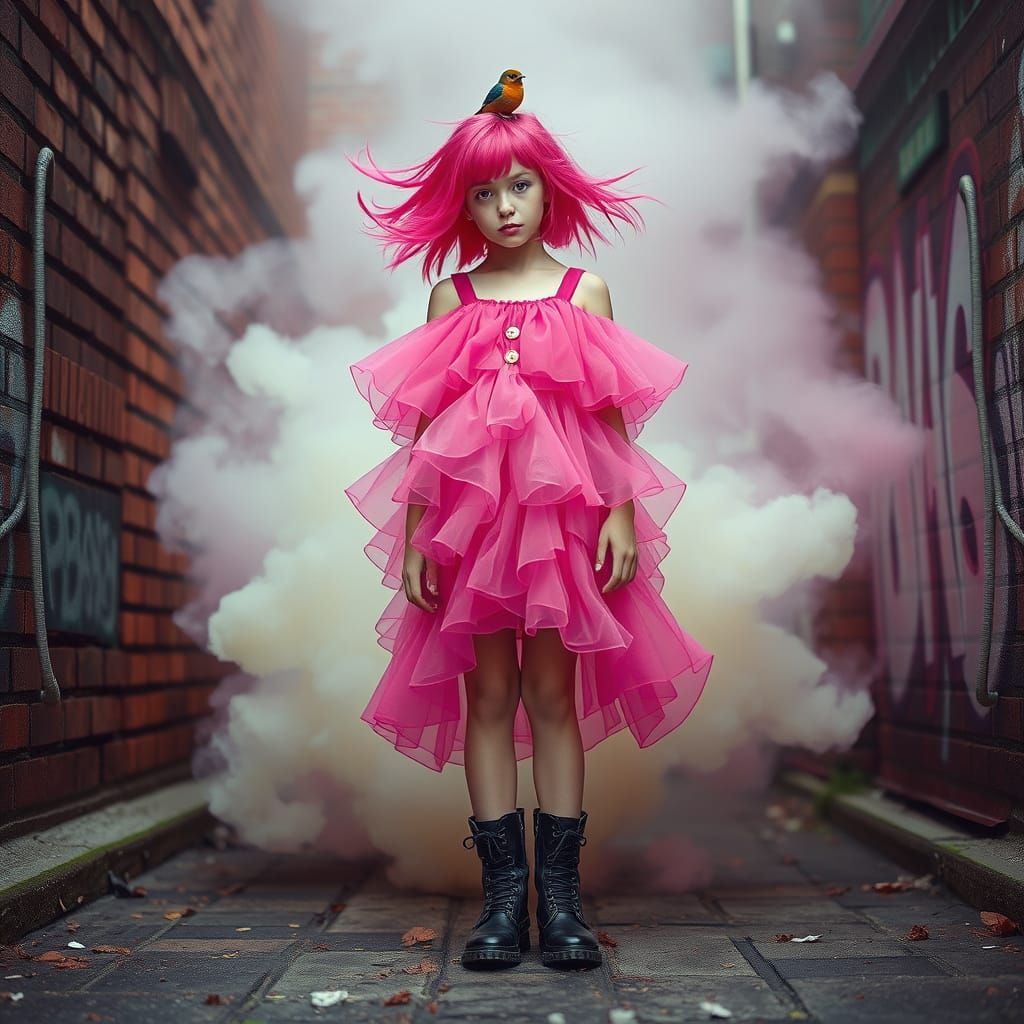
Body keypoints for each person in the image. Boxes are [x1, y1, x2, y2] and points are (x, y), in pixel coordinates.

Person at [345, 109, 714, 971]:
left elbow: (610, 420)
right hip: (470, 535)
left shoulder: (584, 292)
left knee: (552, 699)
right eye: (482, 194)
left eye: (519, 186)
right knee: (486, 699)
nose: (505, 207)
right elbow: (427, 439)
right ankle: (502, 905)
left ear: (550, 186)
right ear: (460, 207)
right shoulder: (453, 296)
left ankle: (561, 901)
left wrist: (620, 514)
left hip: (560, 531)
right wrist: (413, 540)